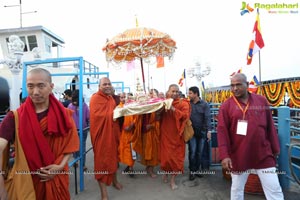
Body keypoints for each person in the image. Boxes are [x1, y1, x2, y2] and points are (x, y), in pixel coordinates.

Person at [0, 68, 79, 200]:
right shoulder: (15, 117)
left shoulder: (64, 115)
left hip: (57, 175)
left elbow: (70, 146)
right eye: (30, 86)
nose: (35, 92)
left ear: (51, 86)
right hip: (27, 179)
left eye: (41, 86)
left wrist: (59, 167)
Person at [217, 73, 284, 200]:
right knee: (237, 189)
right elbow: (222, 131)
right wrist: (224, 155)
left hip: (263, 154)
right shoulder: (226, 106)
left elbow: (270, 126)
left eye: (238, 85)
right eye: (232, 85)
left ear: (247, 85)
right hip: (238, 154)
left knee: (274, 188)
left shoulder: (261, 101)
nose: (235, 88)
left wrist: (275, 149)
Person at [89, 77, 122, 200]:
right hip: (101, 137)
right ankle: (104, 194)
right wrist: (118, 112)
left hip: (113, 135)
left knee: (113, 160)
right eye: (104, 84)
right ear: (99, 86)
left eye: (109, 84)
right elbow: (99, 116)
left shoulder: (110, 99)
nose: (107, 86)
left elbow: (114, 115)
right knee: (102, 164)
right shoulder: (95, 98)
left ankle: (115, 181)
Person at [159, 84, 191, 190]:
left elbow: (185, 116)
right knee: (166, 158)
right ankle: (166, 173)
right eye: (173, 91)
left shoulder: (183, 103)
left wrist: (173, 109)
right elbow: (157, 117)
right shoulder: (163, 103)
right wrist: (159, 110)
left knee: (176, 158)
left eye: (177, 91)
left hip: (177, 135)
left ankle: (172, 179)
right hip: (165, 134)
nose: (175, 93)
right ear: (168, 92)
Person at [187, 86, 212, 181]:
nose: (188, 95)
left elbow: (208, 118)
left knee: (199, 152)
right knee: (192, 152)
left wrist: (209, 131)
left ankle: (197, 170)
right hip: (191, 132)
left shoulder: (204, 104)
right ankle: (192, 171)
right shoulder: (187, 104)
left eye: (190, 93)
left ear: (196, 94)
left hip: (202, 132)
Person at [140, 89, 161, 178]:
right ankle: (148, 167)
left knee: (153, 152)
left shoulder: (158, 106)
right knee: (146, 151)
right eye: (150, 93)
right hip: (144, 131)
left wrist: (152, 125)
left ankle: (151, 169)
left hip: (153, 132)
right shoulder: (144, 105)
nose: (151, 95)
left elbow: (159, 119)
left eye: (153, 94)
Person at [68, 89, 90, 170]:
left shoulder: (70, 106)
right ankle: (83, 165)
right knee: (82, 146)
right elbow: (88, 117)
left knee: (74, 146)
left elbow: (68, 118)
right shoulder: (84, 105)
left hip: (73, 130)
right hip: (83, 129)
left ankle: (76, 160)